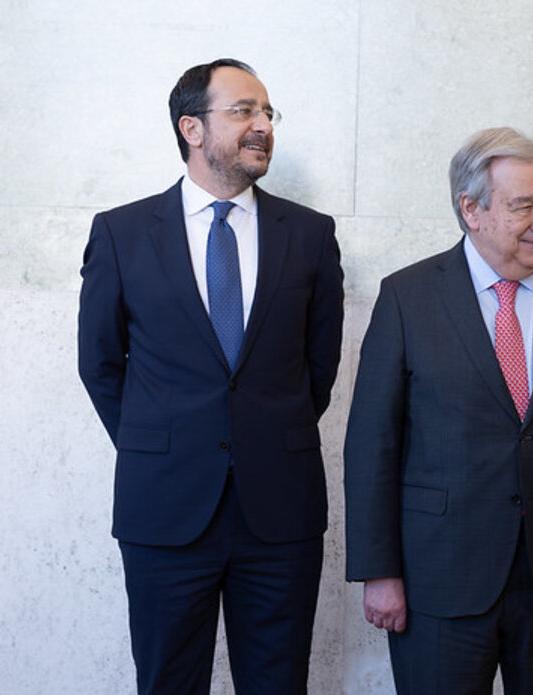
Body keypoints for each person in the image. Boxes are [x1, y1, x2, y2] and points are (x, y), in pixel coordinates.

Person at [77, 58, 344, 694]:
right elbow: (100, 363)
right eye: (243, 111)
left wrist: (259, 435)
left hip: (279, 512)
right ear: (191, 128)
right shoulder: (121, 233)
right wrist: (164, 441)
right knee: (169, 681)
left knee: (278, 683)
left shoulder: (309, 235)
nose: (262, 126)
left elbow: (320, 366)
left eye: (267, 113)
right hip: (164, 508)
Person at [343, 127, 533, 694]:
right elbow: (373, 444)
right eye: (524, 206)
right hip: (439, 582)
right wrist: (379, 572)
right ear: (470, 209)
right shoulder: (408, 298)